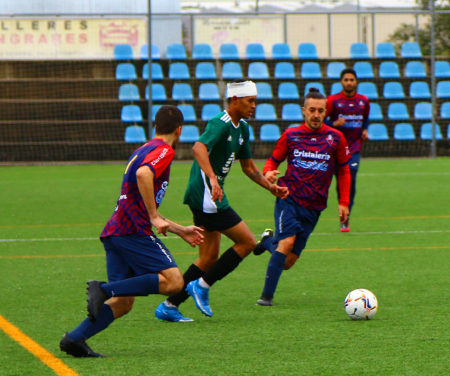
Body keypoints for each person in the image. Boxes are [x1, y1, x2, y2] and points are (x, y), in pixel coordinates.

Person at [59, 105, 204, 358]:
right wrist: (154, 216)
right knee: (174, 282)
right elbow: (144, 174)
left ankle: (75, 339)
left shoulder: (142, 149)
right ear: (179, 130)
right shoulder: (163, 150)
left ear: (155, 127)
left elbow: (134, 195)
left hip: (116, 231)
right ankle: (102, 289)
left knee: (124, 302)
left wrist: (180, 230)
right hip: (132, 231)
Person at [154, 80, 288, 321]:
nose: (254, 106)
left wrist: (270, 187)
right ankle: (202, 286)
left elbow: (248, 167)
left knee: (208, 258)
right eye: (250, 101)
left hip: (207, 195)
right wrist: (213, 178)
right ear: (235, 100)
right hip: (207, 195)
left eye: (255, 101)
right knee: (247, 242)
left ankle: (169, 306)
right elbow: (198, 148)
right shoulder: (220, 123)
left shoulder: (243, 128)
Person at [253, 88, 351, 306]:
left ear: (326, 112)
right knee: (286, 243)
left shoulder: (335, 138)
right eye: (312, 110)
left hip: (315, 207)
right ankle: (266, 297)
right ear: (304, 111)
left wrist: (344, 202)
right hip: (289, 198)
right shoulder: (291, 136)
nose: (316, 115)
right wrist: (268, 172)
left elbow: (344, 171)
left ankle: (267, 241)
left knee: (287, 262)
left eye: (320, 111)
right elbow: (272, 161)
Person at [325, 68, 370, 232]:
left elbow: (365, 119)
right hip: (334, 149)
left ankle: (345, 215)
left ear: (356, 82)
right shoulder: (333, 101)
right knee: (331, 182)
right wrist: (334, 124)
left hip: (354, 148)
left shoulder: (364, 101)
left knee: (350, 179)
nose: (349, 82)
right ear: (341, 82)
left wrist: (365, 130)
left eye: (352, 79)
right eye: (346, 80)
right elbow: (321, 123)